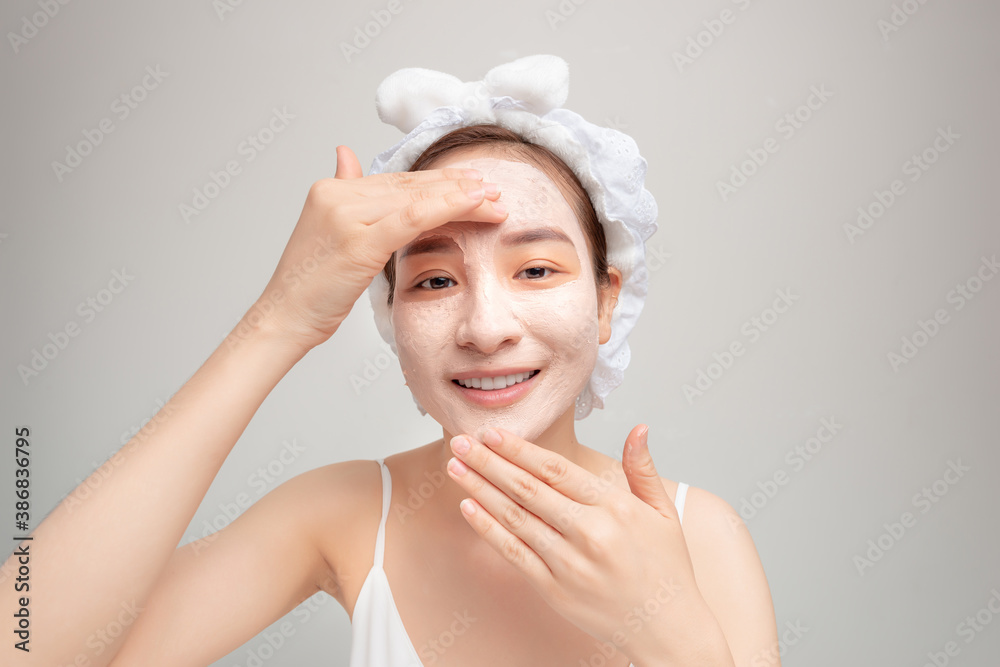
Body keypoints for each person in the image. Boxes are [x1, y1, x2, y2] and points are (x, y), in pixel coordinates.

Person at [2, 55, 778, 667]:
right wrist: (279, 320)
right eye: (434, 279)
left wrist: (673, 635)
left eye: (536, 269)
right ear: (390, 312)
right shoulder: (343, 514)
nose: (484, 325)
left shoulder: (698, 534)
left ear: (609, 300)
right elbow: (24, 643)